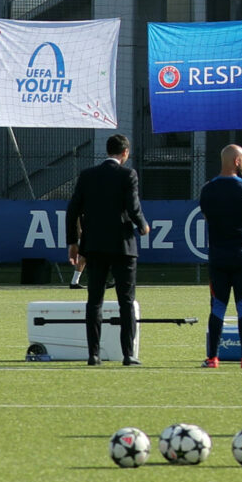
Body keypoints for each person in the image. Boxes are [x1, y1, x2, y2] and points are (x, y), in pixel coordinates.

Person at [65, 134, 147, 366]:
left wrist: (73, 242)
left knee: (95, 301)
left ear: (107, 150)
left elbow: (72, 210)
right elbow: (133, 205)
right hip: (123, 245)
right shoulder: (128, 174)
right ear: (125, 153)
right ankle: (128, 354)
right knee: (126, 301)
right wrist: (142, 224)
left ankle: (93, 354)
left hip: (95, 246)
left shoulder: (88, 175)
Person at [197, 145, 242, 368]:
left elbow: (206, 216)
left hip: (218, 256)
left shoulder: (208, 189)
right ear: (236, 161)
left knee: (217, 305)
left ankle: (212, 358)